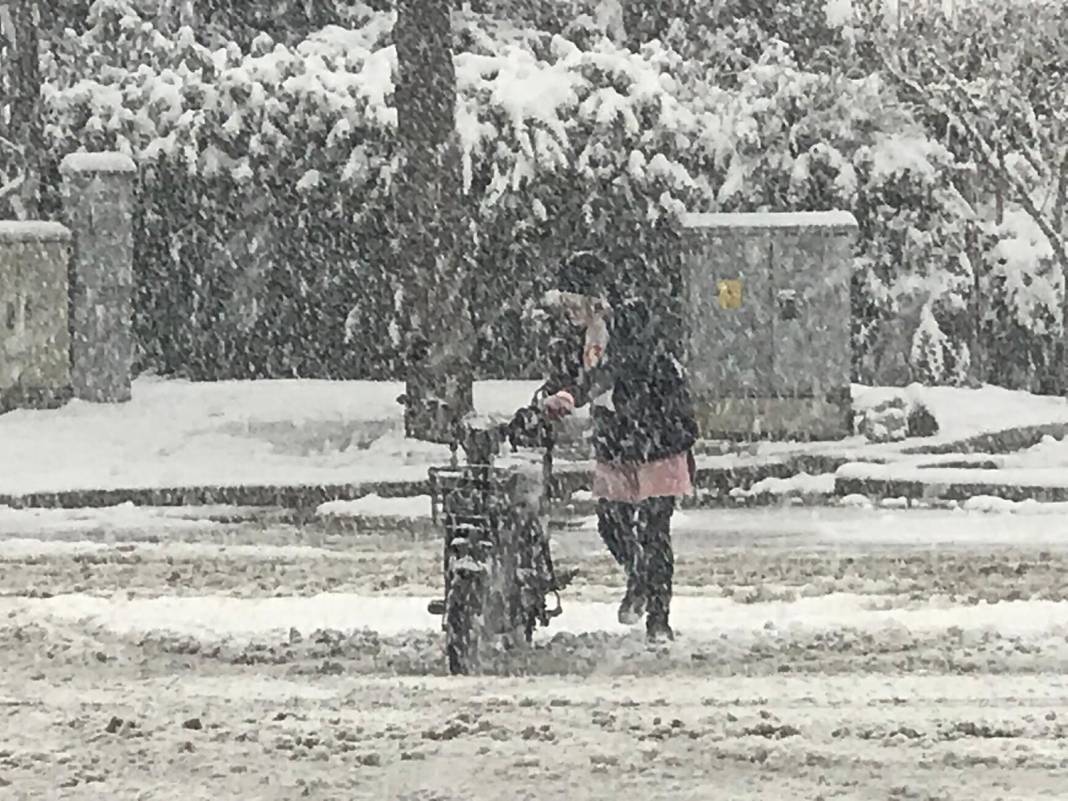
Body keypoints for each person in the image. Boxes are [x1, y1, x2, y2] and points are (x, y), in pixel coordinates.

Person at [532, 250, 698, 643]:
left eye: (573, 302)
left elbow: (615, 370)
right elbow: (570, 373)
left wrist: (575, 394)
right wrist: (547, 398)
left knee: (655, 528)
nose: (568, 311)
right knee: (611, 521)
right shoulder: (582, 333)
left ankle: (658, 617)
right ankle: (639, 575)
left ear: (595, 298)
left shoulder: (631, 320)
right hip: (618, 437)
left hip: (658, 433)